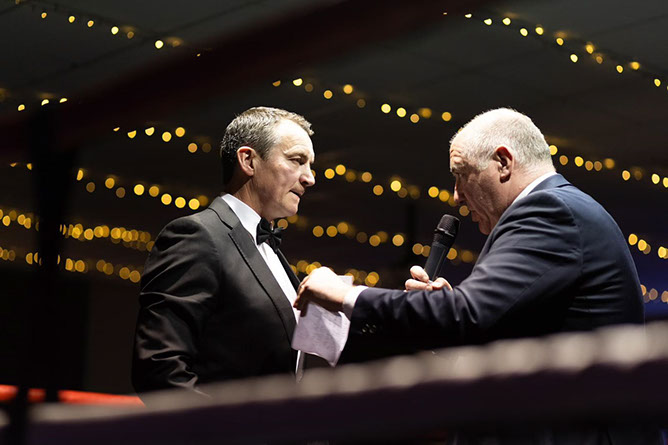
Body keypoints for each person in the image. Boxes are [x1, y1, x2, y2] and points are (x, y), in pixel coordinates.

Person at [295, 108, 661, 443]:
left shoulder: (549, 210)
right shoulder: (557, 209)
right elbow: (500, 329)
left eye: (461, 175)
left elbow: (469, 313)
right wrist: (446, 308)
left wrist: (346, 295)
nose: (456, 196)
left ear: (503, 162)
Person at [132, 106, 316, 397]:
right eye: (297, 160)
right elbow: (160, 369)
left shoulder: (272, 249)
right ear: (248, 160)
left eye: (310, 165)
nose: (309, 178)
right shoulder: (197, 235)